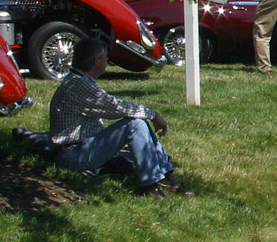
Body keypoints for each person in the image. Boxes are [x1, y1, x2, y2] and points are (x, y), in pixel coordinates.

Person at [49, 37, 183, 196]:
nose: (107, 60)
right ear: (97, 61)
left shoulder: (79, 80)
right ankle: (149, 185)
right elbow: (116, 107)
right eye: (106, 56)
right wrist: (154, 115)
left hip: (82, 147)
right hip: (73, 153)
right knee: (134, 124)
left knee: (138, 124)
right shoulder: (78, 85)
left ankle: (164, 175)